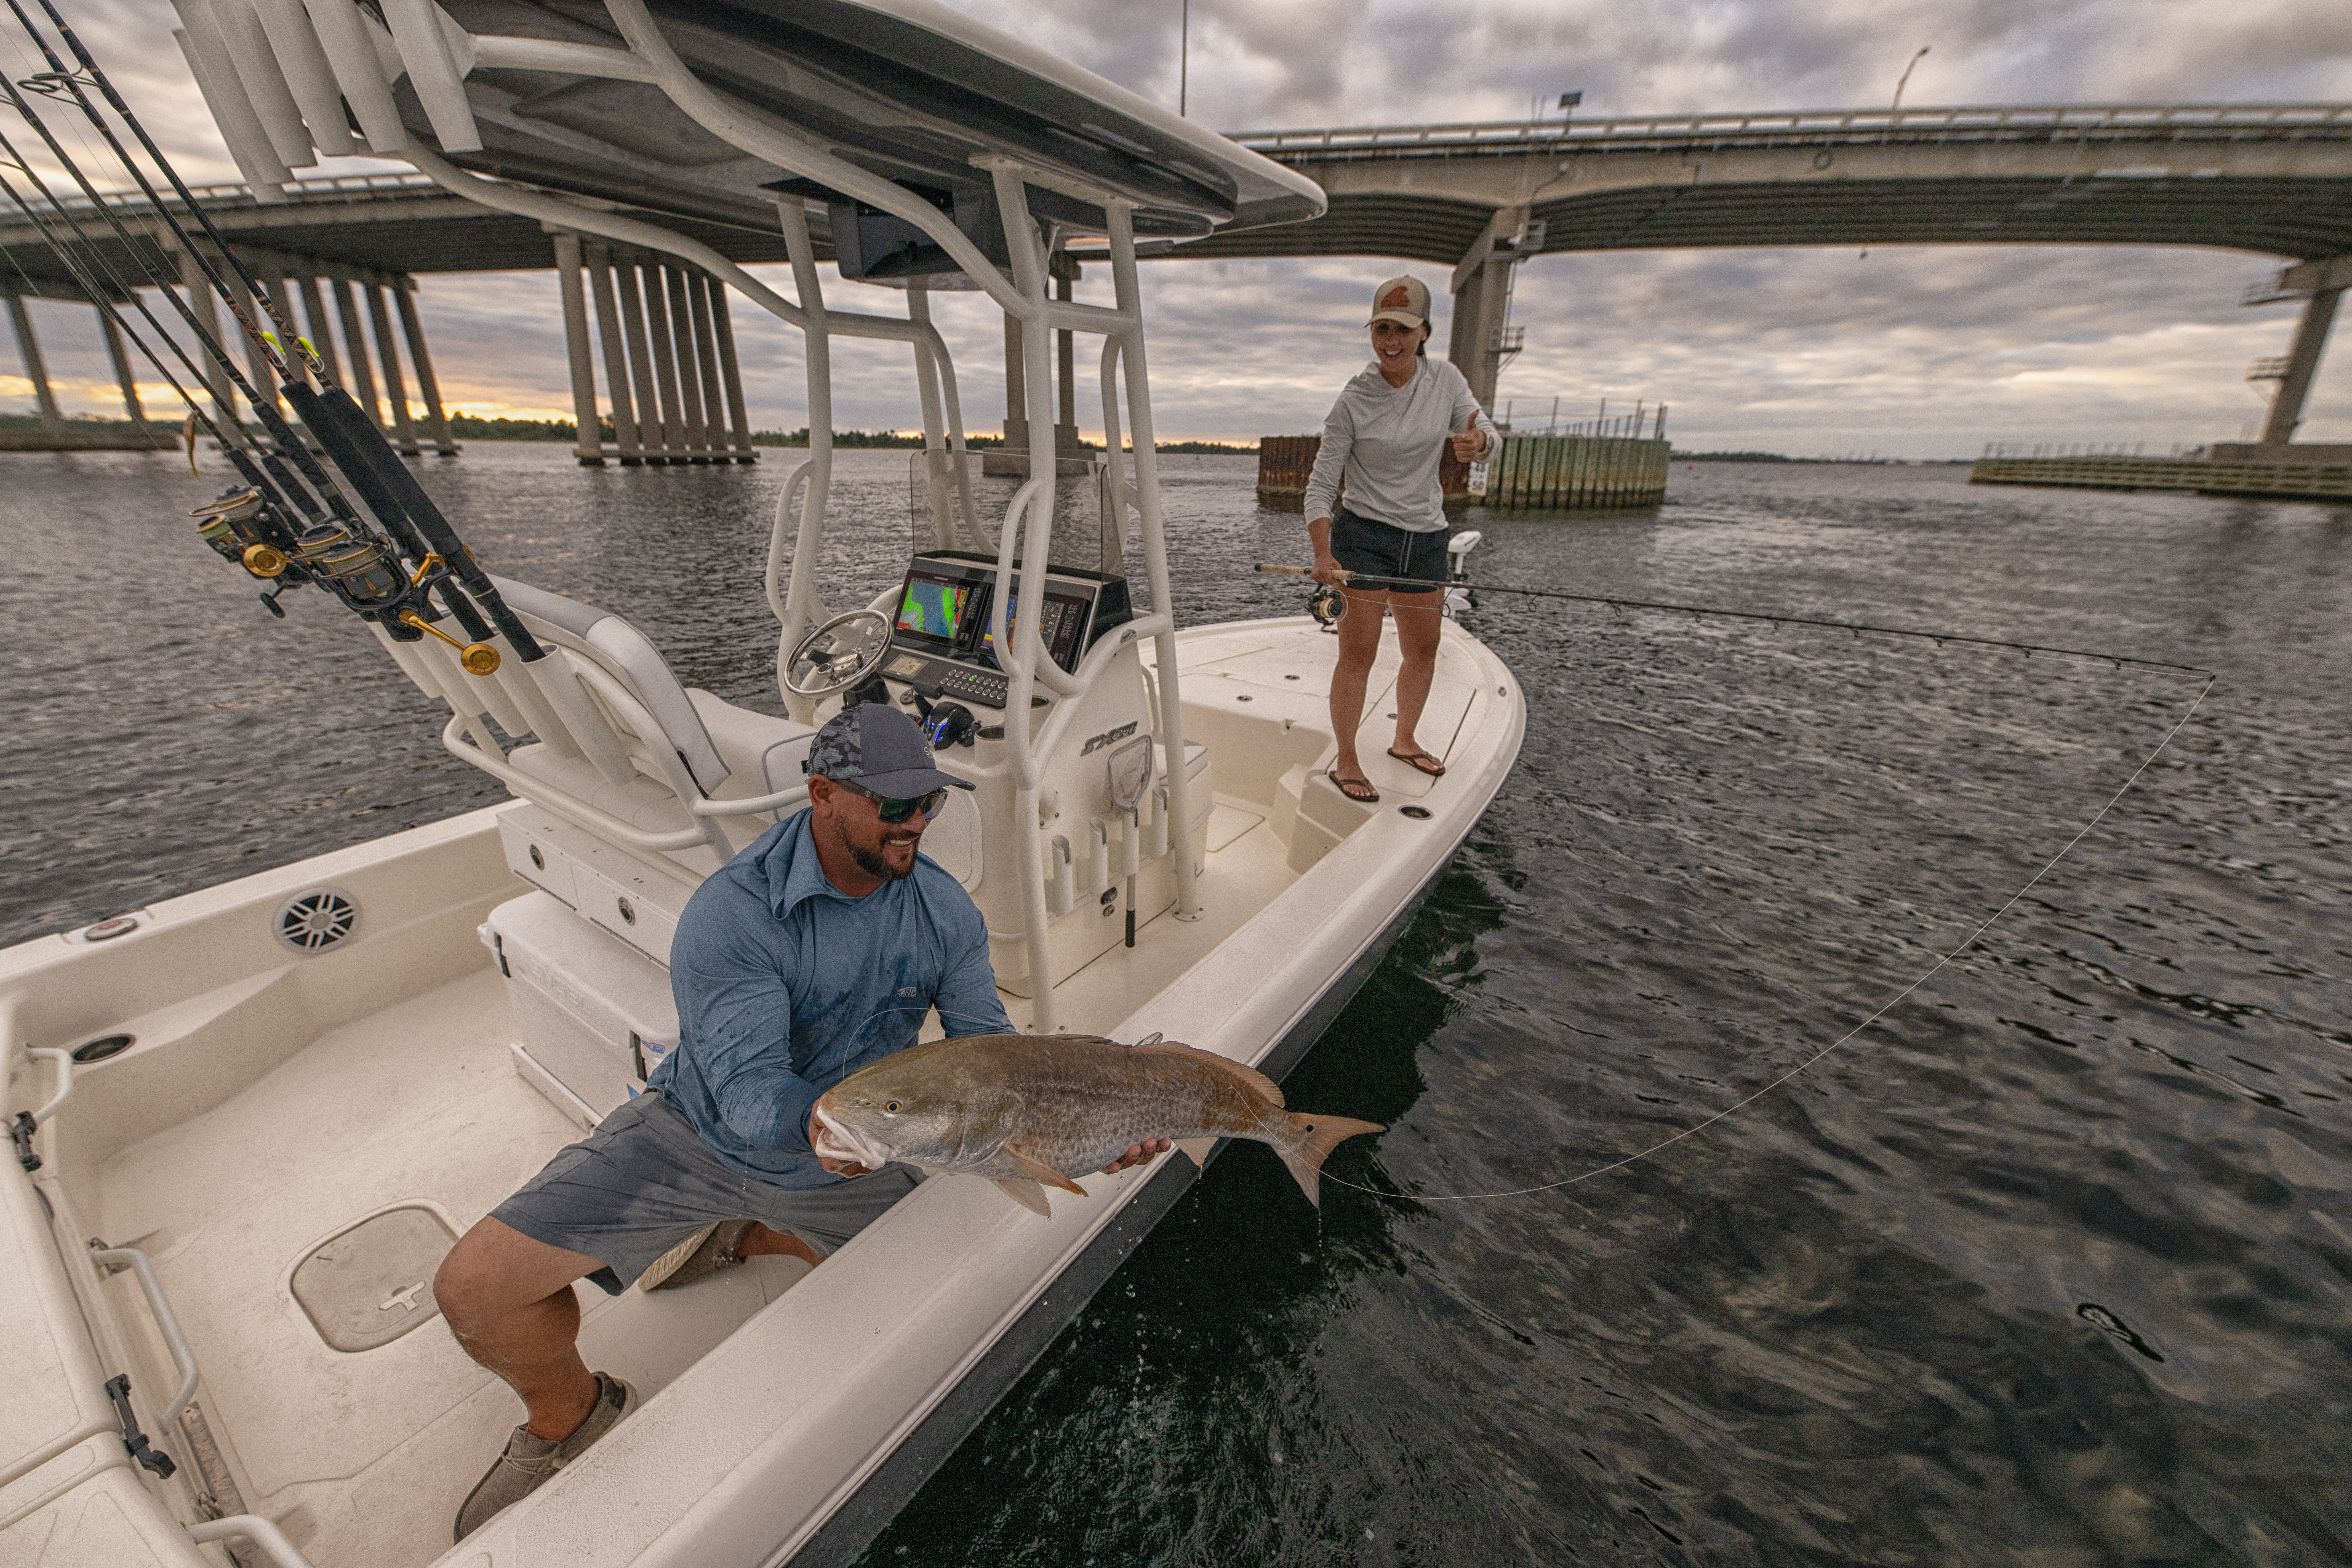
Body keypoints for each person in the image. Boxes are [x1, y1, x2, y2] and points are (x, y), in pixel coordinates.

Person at [433, 702, 1169, 1541]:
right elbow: (750, 1095)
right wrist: (842, 1132)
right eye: (894, 805)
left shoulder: (945, 912)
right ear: (822, 795)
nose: (916, 823)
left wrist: (1093, 1133)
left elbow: (992, 1056)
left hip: (863, 1147)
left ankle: (753, 1233)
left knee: (947, 1341)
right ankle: (574, 1415)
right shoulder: (733, 915)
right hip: (699, 1135)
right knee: (474, 1291)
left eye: (930, 801)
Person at [1303, 274, 1498, 804]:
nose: (1392, 341)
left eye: (1404, 330)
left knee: (1424, 648)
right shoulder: (1353, 400)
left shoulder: (1447, 380)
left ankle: (1404, 740)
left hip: (1427, 537)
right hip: (1364, 536)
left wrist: (1479, 444)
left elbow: (1487, 433)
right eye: (1382, 328)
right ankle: (1347, 758)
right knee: (1359, 652)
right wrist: (1323, 552)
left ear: (1424, 332)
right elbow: (1321, 485)